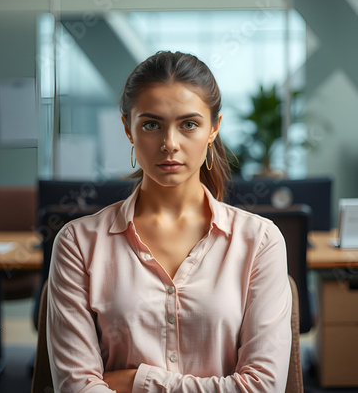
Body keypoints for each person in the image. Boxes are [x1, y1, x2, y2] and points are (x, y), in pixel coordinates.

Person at [47, 51, 292, 393]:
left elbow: (263, 388)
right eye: (151, 124)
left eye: (189, 124)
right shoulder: (78, 242)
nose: (169, 144)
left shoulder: (260, 240)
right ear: (127, 128)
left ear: (214, 128)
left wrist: (138, 381)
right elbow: (76, 386)